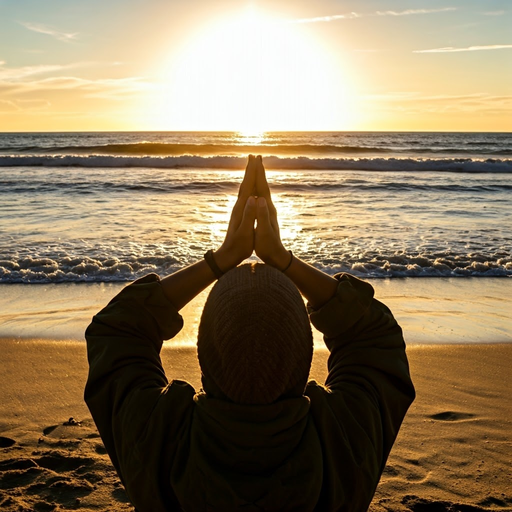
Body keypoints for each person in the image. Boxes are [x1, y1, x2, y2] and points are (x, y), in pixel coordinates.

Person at [85, 155, 415, 512]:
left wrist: (223, 258)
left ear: (204, 352)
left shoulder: (156, 439)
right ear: (305, 352)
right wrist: (283, 259)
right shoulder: (345, 441)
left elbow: (117, 329)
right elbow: (374, 334)